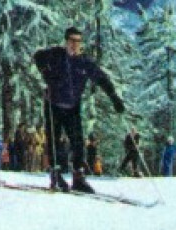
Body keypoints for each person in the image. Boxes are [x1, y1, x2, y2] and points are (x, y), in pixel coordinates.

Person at [33, 27, 126, 193]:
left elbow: (102, 79)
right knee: (55, 142)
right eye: (72, 40)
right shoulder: (56, 54)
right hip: (53, 103)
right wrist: (46, 74)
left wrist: (114, 98)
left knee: (78, 142)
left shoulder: (84, 62)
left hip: (72, 106)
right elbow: (37, 56)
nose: (75, 44)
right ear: (66, 41)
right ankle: (56, 175)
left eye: (78, 41)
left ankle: (78, 177)